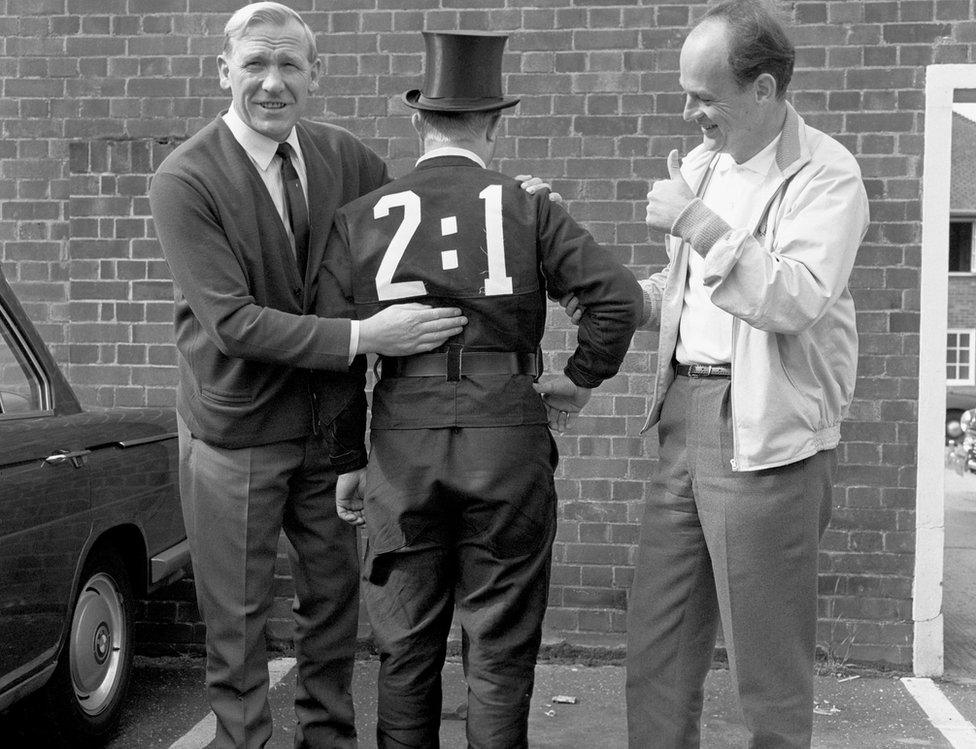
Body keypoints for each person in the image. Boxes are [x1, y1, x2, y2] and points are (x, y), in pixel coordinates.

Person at [148, 4, 473, 747]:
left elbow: (414, 232)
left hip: (330, 437)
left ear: (315, 74)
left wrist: (517, 209)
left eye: (289, 65)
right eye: (255, 65)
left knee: (332, 616)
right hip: (236, 436)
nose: (271, 82)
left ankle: (328, 739)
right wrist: (365, 335)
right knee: (236, 626)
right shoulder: (185, 179)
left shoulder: (346, 159)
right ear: (223, 71)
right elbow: (234, 323)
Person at [320, 31, 643, 748]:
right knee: (498, 650)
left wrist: (347, 458)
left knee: (405, 648)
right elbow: (618, 299)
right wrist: (581, 379)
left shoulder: (361, 217)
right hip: (507, 434)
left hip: (403, 442)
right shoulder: (527, 207)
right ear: (495, 122)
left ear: (418, 122)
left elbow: (340, 358)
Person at [612, 1, 871, 746]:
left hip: (766, 431)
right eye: (686, 94)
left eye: (704, 95)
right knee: (657, 651)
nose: (690, 112)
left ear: (763, 89)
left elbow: (793, 296)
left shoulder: (826, 175)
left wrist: (697, 221)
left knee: (767, 670)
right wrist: (613, 295)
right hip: (682, 415)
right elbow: (685, 295)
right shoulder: (704, 165)